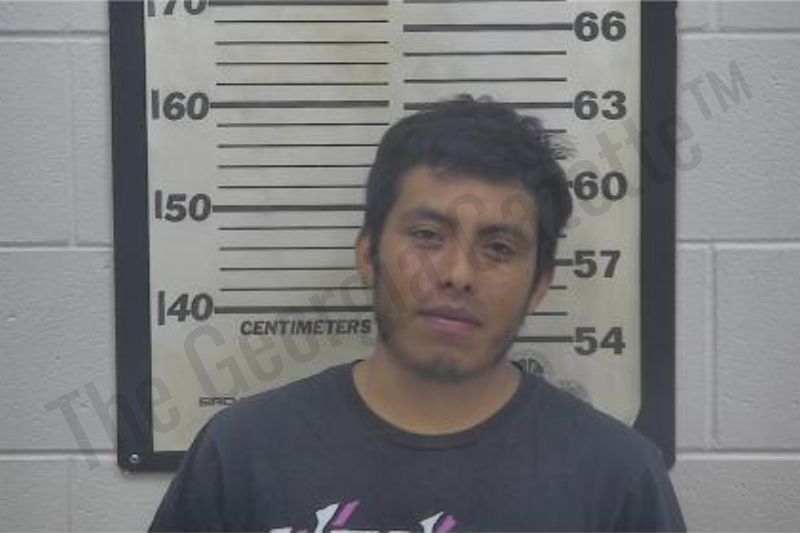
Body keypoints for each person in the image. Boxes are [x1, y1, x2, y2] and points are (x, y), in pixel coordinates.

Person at [149, 95, 686, 532]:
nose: (458, 273)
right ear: (368, 255)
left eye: (499, 247)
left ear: (540, 285)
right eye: (427, 236)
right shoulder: (242, 454)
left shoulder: (618, 479)